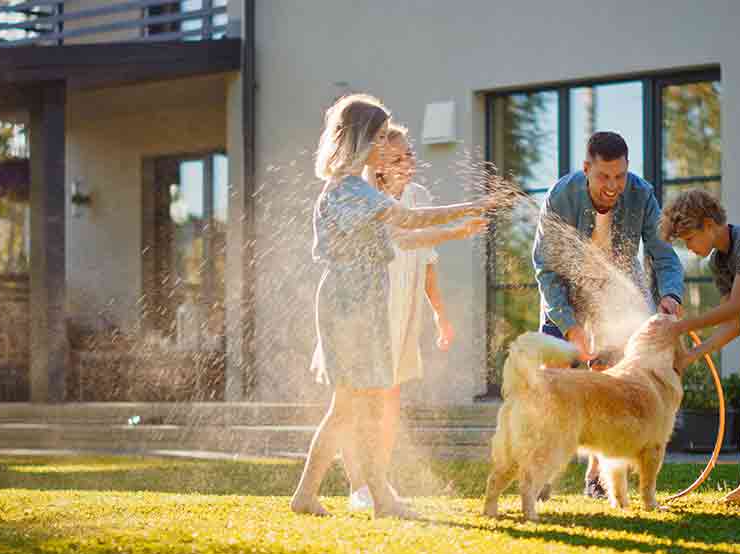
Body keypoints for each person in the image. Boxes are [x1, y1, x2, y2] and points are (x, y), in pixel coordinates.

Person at [290, 94, 496, 518]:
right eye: (382, 136)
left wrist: (458, 231)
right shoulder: (350, 191)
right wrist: (467, 207)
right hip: (351, 309)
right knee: (354, 406)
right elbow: (410, 219)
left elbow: (402, 239)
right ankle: (373, 498)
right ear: (363, 139)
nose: (388, 145)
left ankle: (316, 496)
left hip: (359, 306)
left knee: (349, 407)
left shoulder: (358, 191)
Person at [343, 123, 489, 510]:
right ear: (377, 165)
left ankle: (379, 481)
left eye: (410, 154)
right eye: (399, 157)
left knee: (390, 401)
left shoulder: (418, 195)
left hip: (403, 315)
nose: (409, 162)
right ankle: (358, 485)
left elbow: (427, 267)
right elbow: (402, 239)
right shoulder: (366, 200)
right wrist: (457, 228)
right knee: (361, 402)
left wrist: (441, 315)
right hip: (368, 311)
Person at [532, 131, 684, 499]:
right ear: (587, 168)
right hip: (564, 296)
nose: (613, 186)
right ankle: (539, 475)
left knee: (611, 387)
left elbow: (662, 254)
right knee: (551, 386)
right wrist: (569, 327)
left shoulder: (641, 193)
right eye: (604, 177)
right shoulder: (560, 196)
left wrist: (669, 294)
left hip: (617, 298)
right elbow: (546, 268)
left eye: (620, 176)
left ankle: (597, 483)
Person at [655, 189, 740, 507]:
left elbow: (736, 307)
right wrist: (691, 356)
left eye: (690, 238)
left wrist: (682, 326)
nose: (689, 247)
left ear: (710, 224)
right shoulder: (718, 261)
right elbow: (733, 326)